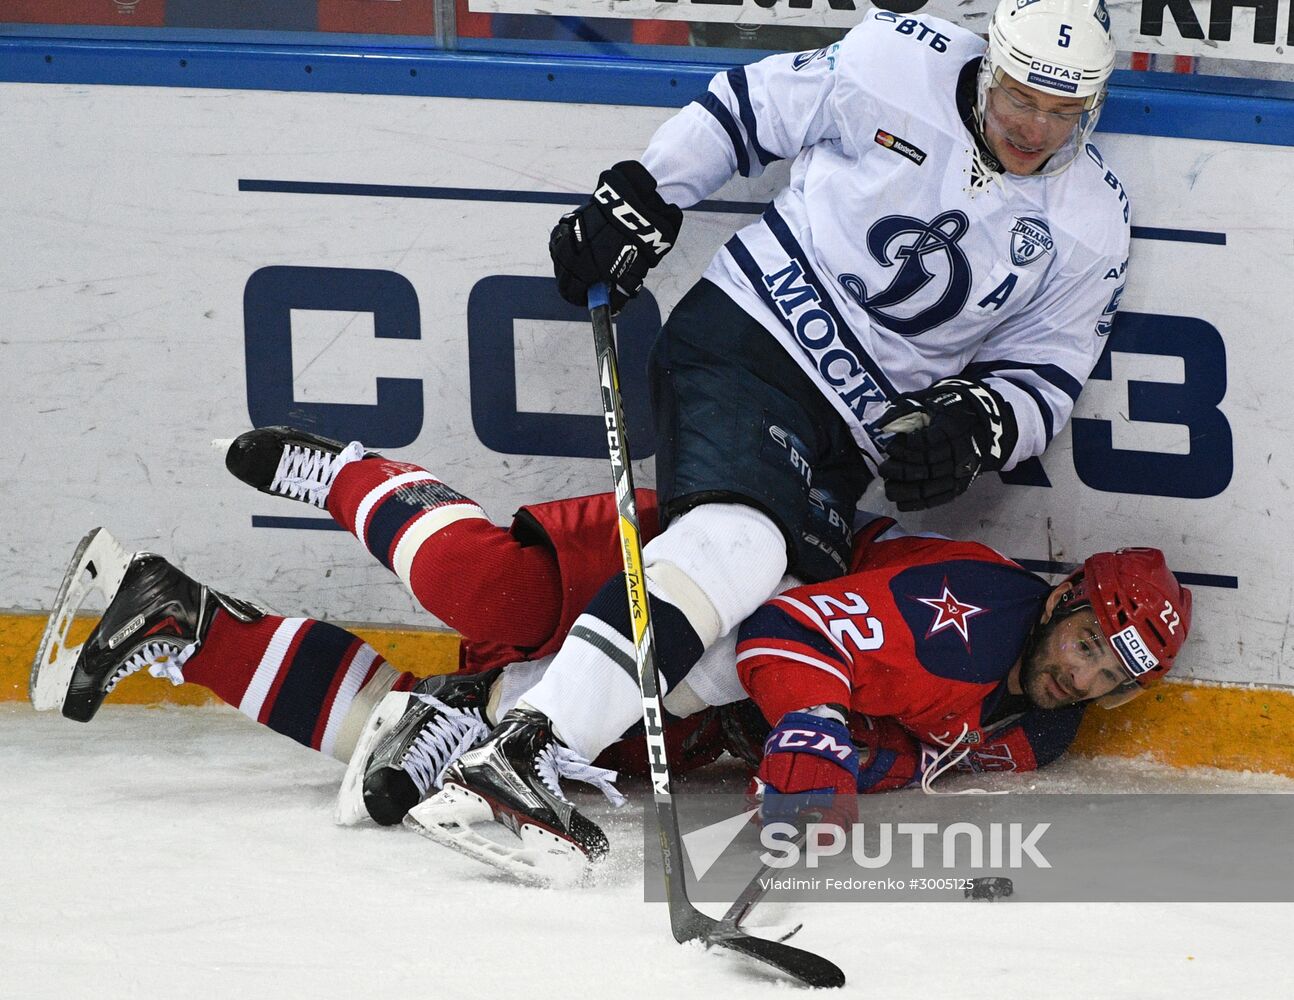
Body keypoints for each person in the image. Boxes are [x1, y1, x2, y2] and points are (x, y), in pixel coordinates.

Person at [430, 0, 1132, 863]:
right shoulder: (893, 61)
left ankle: (484, 715)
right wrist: (649, 191)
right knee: (740, 542)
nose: (1036, 128)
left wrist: (980, 425)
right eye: (1021, 97)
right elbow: (749, 108)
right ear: (991, 63)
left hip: (851, 437)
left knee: (764, 627)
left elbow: (1046, 373)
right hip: (749, 338)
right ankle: (531, 749)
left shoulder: (1090, 221)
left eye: (1065, 112)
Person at [31, 426, 1188, 872]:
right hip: (693, 582)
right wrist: (810, 732)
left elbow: (902, 749)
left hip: (695, 701)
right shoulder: (967, 610)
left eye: (1113, 674)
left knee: (428, 749)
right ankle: (347, 470)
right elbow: (789, 631)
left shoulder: (1039, 726)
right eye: (1090, 640)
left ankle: (183, 621)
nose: (1084, 674)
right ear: (1060, 600)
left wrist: (825, 759)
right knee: (484, 583)